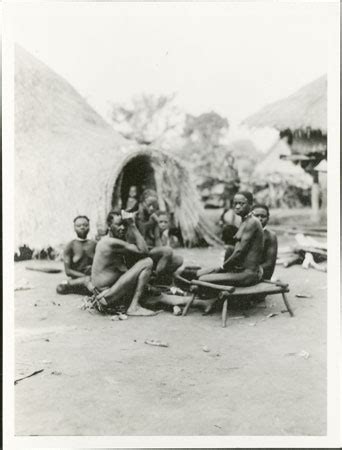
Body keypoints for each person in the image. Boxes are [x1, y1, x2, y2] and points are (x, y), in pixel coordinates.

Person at [184, 191, 264, 288]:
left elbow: (239, 252)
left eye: (242, 204)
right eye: (235, 203)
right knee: (201, 273)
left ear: (250, 205)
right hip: (241, 270)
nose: (237, 207)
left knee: (203, 279)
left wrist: (223, 267)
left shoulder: (252, 222)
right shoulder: (245, 220)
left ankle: (210, 302)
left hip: (249, 274)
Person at [90, 210, 156, 316]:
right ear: (109, 225)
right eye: (118, 225)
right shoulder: (109, 242)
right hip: (106, 296)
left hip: (108, 293)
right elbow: (144, 251)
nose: (123, 228)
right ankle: (134, 307)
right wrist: (133, 225)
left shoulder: (114, 241)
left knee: (153, 293)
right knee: (147, 262)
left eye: (125, 225)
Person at [134, 191, 183, 283]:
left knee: (178, 259)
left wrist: (163, 254)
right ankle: (154, 278)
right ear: (142, 203)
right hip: (139, 252)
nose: (152, 208)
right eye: (149, 205)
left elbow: (157, 240)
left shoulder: (153, 218)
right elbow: (140, 237)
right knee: (168, 251)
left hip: (151, 252)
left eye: (154, 205)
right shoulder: (136, 217)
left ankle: (157, 276)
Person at [57, 216, 96, 295]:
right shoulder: (70, 245)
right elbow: (68, 271)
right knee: (60, 288)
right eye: (79, 226)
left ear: (89, 227)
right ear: (74, 228)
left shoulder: (95, 244)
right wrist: (85, 277)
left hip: (94, 278)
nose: (82, 227)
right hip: (78, 279)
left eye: (85, 225)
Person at [251, 204, 278, 280]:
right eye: (256, 216)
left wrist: (250, 269)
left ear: (268, 218)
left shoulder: (271, 236)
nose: (260, 219)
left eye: (263, 216)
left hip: (261, 272)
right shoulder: (246, 233)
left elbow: (270, 263)